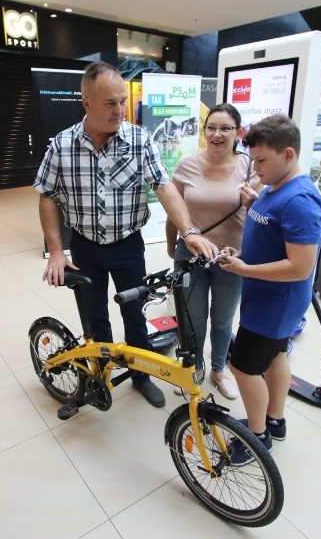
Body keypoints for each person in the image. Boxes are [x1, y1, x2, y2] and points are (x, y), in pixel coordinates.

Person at [34, 61, 218, 408]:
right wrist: (57, 251)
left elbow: (164, 187)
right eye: (110, 103)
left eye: (122, 101)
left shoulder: (139, 140)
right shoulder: (61, 146)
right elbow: (46, 194)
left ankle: (140, 376)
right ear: (86, 102)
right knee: (95, 314)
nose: (120, 109)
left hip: (127, 246)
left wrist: (189, 231)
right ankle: (101, 374)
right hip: (85, 246)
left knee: (135, 314)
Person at [219, 114, 321, 461]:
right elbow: (272, 233)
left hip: (275, 303)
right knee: (276, 356)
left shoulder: (300, 201)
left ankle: (257, 435)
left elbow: (300, 266)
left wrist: (246, 268)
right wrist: (254, 206)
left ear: (288, 154)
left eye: (262, 161)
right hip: (265, 297)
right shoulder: (275, 188)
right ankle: (275, 420)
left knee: (243, 366)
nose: (256, 168)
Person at [164, 103, 261, 400]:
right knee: (193, 317)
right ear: (204, 131)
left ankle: (219, 368)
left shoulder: (250, 167)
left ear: (238, 133)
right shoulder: (187, 164)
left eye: (225, 128)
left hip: (231, 257)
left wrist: (254, 204)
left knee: (222, 318)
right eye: (211, 128)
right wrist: (172, 245)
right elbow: (174, 209)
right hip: (190, 255)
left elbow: (263, 218)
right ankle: (196, 365)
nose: (217, 134)